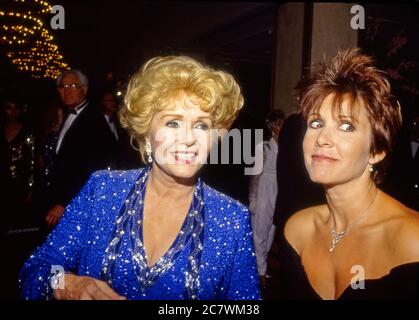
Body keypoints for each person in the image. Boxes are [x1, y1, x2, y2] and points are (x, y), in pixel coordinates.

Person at [19, 56, 261, 300]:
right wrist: (69, 285)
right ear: (146, 131)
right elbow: (35, 269)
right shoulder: (102, 190)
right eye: (173, 122)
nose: (188, 138)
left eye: (201, 125)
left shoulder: (232, 219)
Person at [276, 48, 419, 299]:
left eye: (346, 126)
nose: (322, 138)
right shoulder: (298, 231)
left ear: (377, 151)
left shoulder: (411, 240)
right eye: (316, 123)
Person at [45, 70, 116, 227]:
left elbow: (93, 167)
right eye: (63, 86)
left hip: (77, 202)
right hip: (59, 198)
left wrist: (63, 203)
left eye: (72, 85)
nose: (67, 90)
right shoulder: (66, 115)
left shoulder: (94, 118)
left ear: (84, 89)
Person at [248, 110, 285, 288]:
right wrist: (253, 200)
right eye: (279, 124)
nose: (281, 127)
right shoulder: (263, 147)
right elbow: (255, 175)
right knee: (260, 229)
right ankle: (259, 272)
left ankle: (260, 266)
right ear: (272, 126)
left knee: (272, 229)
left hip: (278, 189)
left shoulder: (286, 148)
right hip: (264, 187)